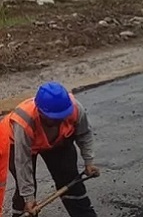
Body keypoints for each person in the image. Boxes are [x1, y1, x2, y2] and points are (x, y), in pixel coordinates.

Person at [0, 82, 100, 217]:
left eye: (62, 117)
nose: (59, 121)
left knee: (69, 178)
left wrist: (89, 161)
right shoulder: (24, 121)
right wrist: (28, 198)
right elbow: (23, 163)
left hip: (56, 141)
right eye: (54, 119)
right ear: (41, 112)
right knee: (25, 193)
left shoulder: (74, 108)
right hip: (16, 143)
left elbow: (84, 133)